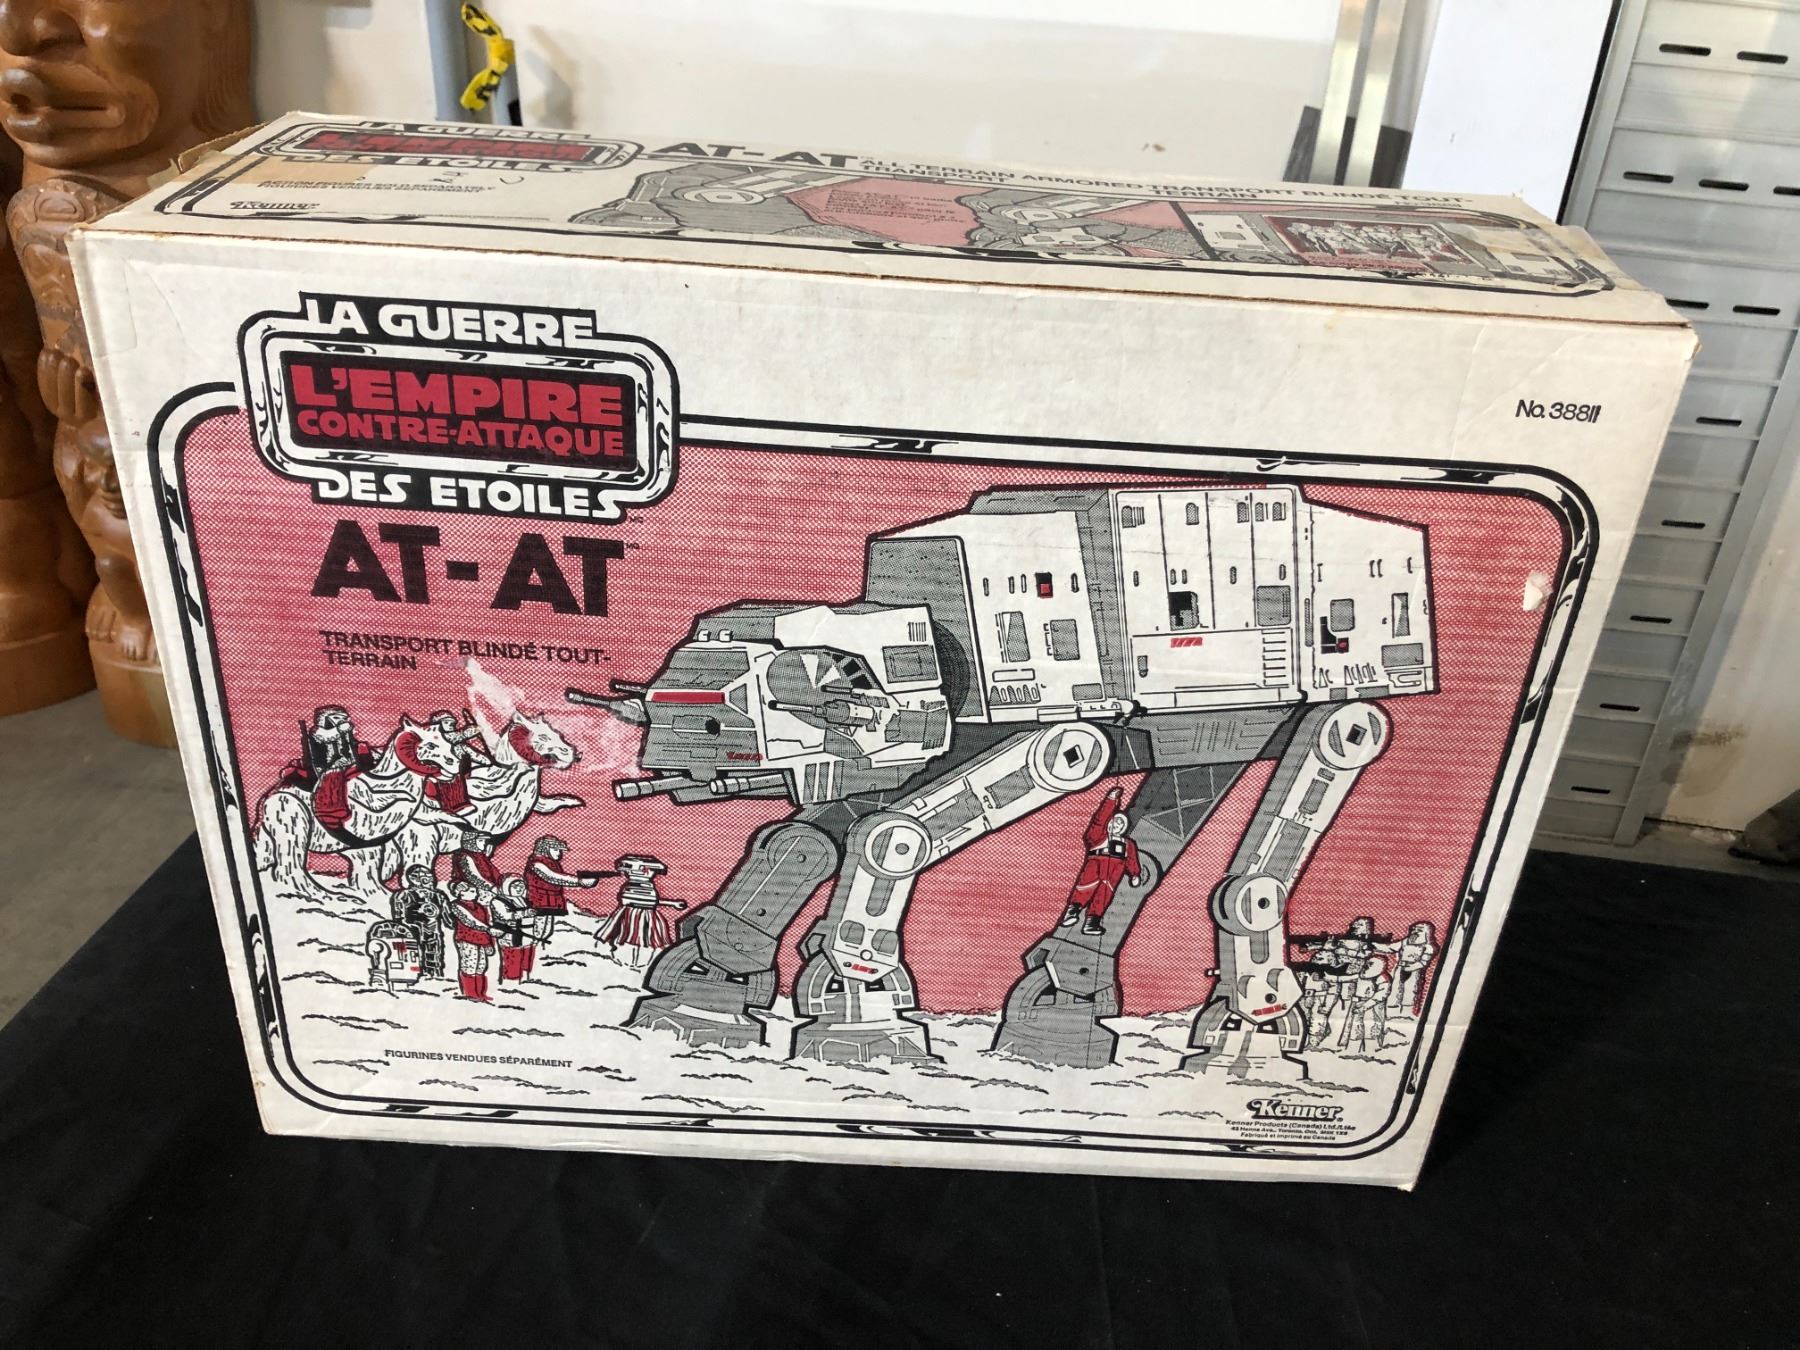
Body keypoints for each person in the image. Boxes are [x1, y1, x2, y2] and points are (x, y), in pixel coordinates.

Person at [1059, 786, 1141, 937]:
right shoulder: (1098, 836)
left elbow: (1132, 859)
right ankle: (1072, 912)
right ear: (1109, 823)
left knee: (1104, 895)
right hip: (1095, 866)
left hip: (1113, 872)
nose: (1117, 825)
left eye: (1121, 824)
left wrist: (1135, 874)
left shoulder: (1128, 844)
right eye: (1115, 822)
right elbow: (1100, 819)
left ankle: (1092, 922)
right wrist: (1111, 800)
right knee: (1085, 888)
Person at [522, 836, 599, 973]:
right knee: (538, 930)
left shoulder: (550, 863)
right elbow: (553, 877)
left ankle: (539, 955)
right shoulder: (537, 863)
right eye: (556, 849)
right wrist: (579, 882)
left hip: (550, 901)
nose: (559, 853)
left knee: (546, 930)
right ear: (545, 848)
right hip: (538, 900)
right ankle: (531, 958)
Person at [599, 856, 687, 969]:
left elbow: (652, 901)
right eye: (650, 870)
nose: (652, 874)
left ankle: (642, 962)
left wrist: (672, 903)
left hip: (648, 916)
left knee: (648, 939)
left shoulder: (647, 888)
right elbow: (633, 899)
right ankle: (626, 961)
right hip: (631, 916)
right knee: (628, 937)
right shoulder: (631, 888)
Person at [390, 865, 446, 978]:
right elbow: (398, 915)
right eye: (424, 876)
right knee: (414, 951)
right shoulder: (404, 894)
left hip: (432, 927)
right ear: (412, 878)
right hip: (412, 928)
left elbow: (445, 915)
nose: (428, 878)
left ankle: (433, 973)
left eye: (429, 875)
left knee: (434, 950)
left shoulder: (437, 895)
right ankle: (415, 974)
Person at [446, 880, 495, 1001]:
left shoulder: (480, 907)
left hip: (482, 940)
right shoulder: (456, 905)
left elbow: (487, 922)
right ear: (461, 892)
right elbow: (470, 921)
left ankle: (481, 993)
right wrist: (488, 929)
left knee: (481, 966)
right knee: (469, 966)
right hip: (467, 939)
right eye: (472, 891)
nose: (476, 893)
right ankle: (470, 993)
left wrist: (490, 942)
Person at [491, 876, 536, 985]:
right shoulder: (498, 901)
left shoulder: (524, 900)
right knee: (513, 958)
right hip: (510, 935)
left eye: (521, 885)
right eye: (515, 886)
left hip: (528, 934)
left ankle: (525, 980)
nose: (519, 888)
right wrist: (525, 913)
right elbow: (506, 915)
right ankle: (511, 983)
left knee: (527, 957)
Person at [1387, 920, 1438, 1016]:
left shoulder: (1428, 947)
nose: (1415, 931)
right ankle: (1391, 1012)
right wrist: (1373, 945)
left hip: (1415, 971)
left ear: (1427, 933)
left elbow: (1423, 962)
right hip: (1400, 968)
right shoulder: (1405, 942)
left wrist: (1411, 967)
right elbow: (1390, 947)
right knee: (1395, 989)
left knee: (1411, 992)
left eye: (1419, 930)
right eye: (1414, 929)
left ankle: (1408, 1014)